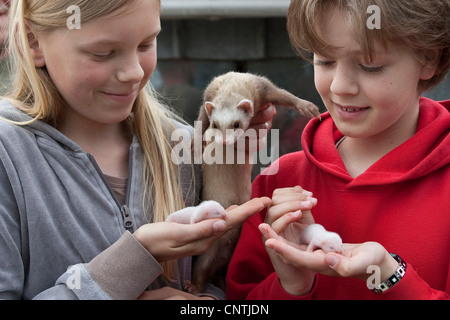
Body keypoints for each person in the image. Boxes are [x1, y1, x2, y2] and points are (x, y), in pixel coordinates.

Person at [0, 0, 276, 300]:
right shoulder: (8, 155)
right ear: (34, 42)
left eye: (146, 44)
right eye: (102, 53)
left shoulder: (184, 144)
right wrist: (134, 259)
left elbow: (215, 280)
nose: (133, 73)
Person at [227, 0, 449, 300]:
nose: (340, 86)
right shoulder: (278, 183)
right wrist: (291, 286)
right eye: (325, 61)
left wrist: (390, 276)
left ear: (428, 60)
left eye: (370, 65)